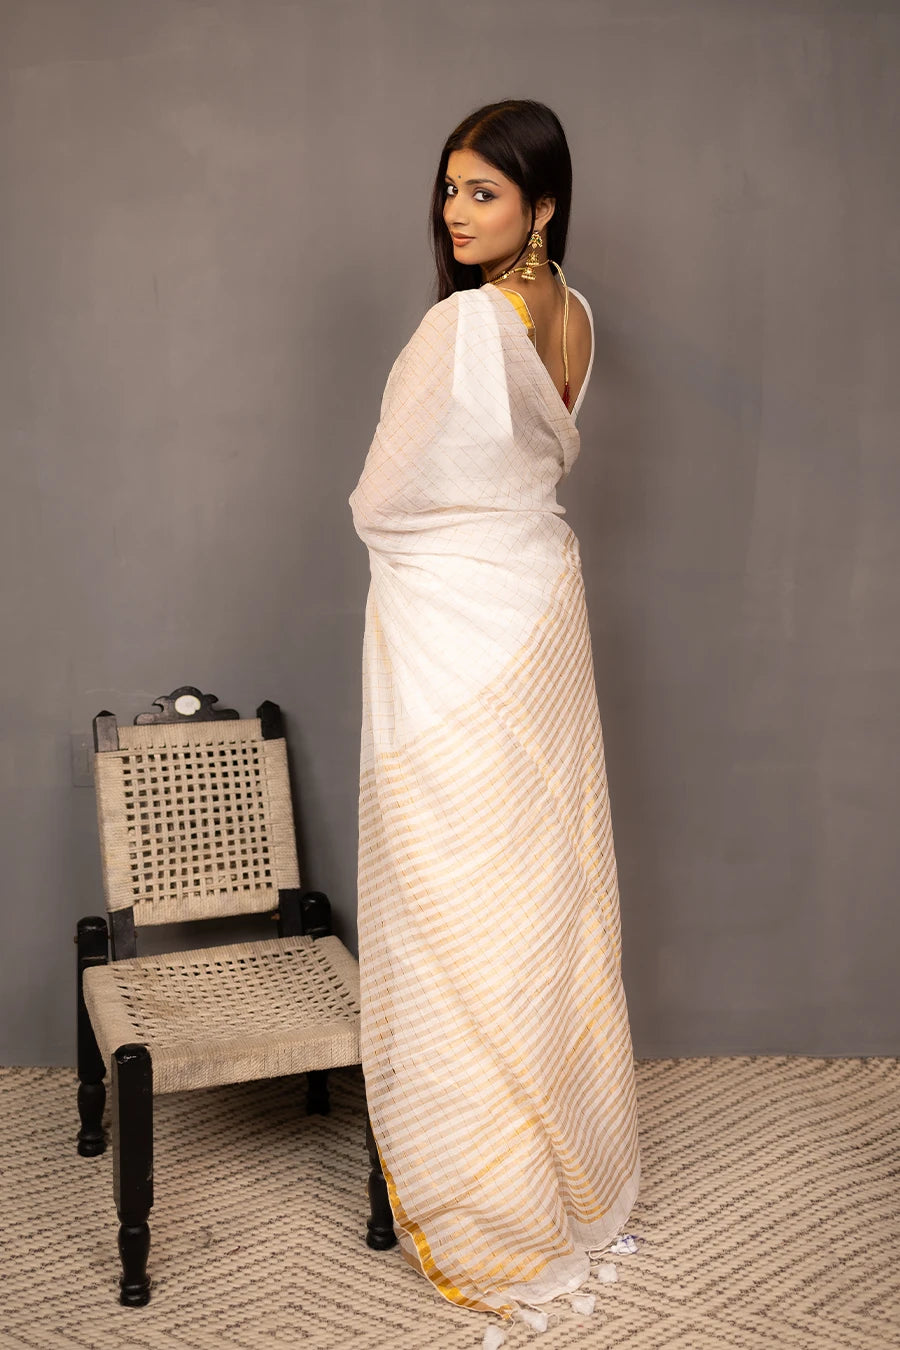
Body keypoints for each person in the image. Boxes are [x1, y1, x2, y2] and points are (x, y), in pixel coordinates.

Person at [349, 99, 641, 1323]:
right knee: (536, 884)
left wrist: (409, 538)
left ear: (544, 204)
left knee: (459, 888)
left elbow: (382, 497)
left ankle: (492, 1191)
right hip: (542, 605)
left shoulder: (467, 322)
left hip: (458, 627)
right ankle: (567, 1162)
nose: (457, 213)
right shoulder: (578, 317)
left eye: (485, 193)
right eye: (451, 189)